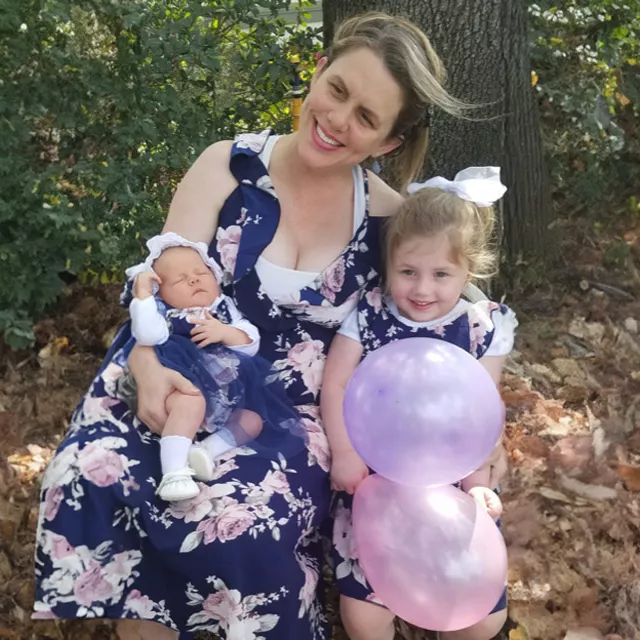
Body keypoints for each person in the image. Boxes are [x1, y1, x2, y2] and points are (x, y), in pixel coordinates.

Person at [33, 12, 507, 640]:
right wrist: (146, 367)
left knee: (237, 511)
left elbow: (461, 308)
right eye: (338, 90)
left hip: (291, 409)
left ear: (387, 144)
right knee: (95, 469)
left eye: (367, 117)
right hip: (176, 366)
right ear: (316, 73)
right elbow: (162, 280)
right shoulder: (226, 168)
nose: (339, 119)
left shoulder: (391, 217)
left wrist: (478, 435)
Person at [322, 167, 517, 640]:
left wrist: (477, 484)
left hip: (450, 484)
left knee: (480, 621)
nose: (422, 289)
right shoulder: (368, 315)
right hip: (377, 484)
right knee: (364, 620)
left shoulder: (481, 326)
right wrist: (345, 453)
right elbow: (336, 384)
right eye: (407, 272)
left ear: (468, 271)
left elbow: (480, 417)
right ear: (388, 265)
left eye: (441, 274)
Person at [124, 232, 306, 501]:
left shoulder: (225, 310)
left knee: (252, 421)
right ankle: (173, 474)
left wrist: (225, 332)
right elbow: (147, 335)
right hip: (184, 389)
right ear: (160, 293)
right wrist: (143, 297)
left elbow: (250, 341)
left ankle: (204, 451)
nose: (194, 279)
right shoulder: (166, 315)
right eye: (180, 280)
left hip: (226, 398)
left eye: (201, 272)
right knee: (191, 402)